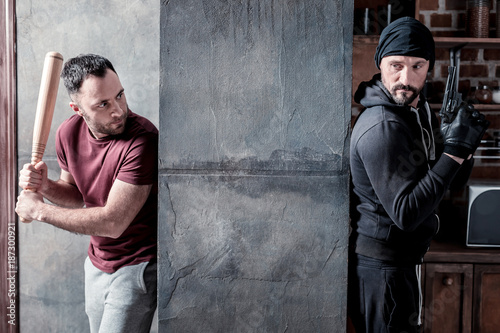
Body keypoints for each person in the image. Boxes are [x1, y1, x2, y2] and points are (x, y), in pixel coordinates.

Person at [348, 17, 489, 333]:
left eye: (418, 66)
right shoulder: (384, 125)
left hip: (400, 265)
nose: (405, 78)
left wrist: (461, 149)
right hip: (382, 271)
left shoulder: (414, 111)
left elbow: (450, 184)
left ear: (429, 68)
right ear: (380, 64)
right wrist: (453, 153)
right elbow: (406, 213)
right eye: (396, 65)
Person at [16, 54, 158, 333]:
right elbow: (75, 194)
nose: (118, 110)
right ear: (77, 109)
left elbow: (113, 223)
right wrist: (45, 186)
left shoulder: (143, 140)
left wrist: (40, 210)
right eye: (103, 104)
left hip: (136, 265)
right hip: (95, 262)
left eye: (120, 95)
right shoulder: (68, 132)